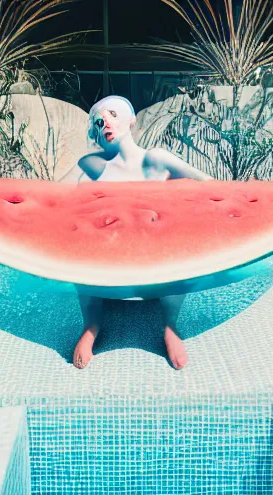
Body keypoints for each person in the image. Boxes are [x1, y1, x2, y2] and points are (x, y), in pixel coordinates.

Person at [71, 95, 213, 371]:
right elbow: (59, 199)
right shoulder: (94, 166)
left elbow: (208, 184)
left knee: (184, 248)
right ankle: (91, 325)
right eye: (98, 121)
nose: (105, 123)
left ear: (130, 121)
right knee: (76, 250)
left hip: (158, 252)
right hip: (109, 255)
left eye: (112, 114)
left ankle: (170, 327)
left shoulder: (156, 159)